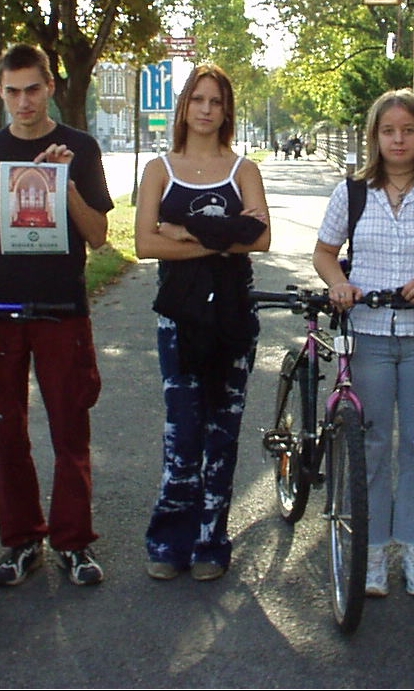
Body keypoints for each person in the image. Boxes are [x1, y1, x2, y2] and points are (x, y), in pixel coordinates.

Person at [0, 43, 114, 589]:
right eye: (12, 92)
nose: (23, 102)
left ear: (50, 86)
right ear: (0, 92)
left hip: (61, 307)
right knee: (7, 430)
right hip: (2, 309)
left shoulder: (80, 147)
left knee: (70, 428)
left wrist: (66, 184)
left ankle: (73, 542)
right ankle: (22, 539)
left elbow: (99, 236)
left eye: (32, 90)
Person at [313, 89, 414, 598]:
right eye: (388, 131)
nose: (398, 140)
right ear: (374, 137)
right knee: (372, 445)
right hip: (369, 334)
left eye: (407, 130)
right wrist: (339, 282)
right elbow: (324, 252)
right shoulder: (353, 193)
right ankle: (373, 549)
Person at [135, 64, 270, 582]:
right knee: (183, 431)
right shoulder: (160, 170)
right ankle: (170, 541)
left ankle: (211, 542)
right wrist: (223, 235)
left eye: (216, 101)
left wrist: (186, 229)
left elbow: (260, 238)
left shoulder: (243, 171)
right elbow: (145, 243)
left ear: (227, 110)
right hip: (180, 317)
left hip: (233, 315)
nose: (207, 110)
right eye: (198, 100)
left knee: (222, 431)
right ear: (184, 107)